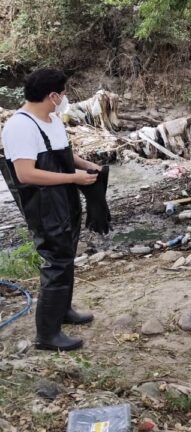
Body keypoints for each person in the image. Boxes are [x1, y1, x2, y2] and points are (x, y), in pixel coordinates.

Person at [0, 69, 101, 351]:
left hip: (65, 199)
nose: (66, 97)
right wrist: (73, 178)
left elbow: (64, 154)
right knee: (55, 261)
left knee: (67, 255)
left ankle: (63, 310)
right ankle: (47, 334)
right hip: (43, 205)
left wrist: (84, 166)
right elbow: (25, 174)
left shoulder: (52, 120)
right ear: (53, 96)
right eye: (64, 92)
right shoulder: (19, 127)